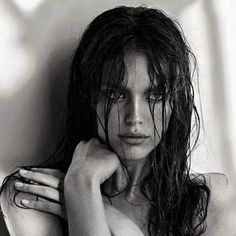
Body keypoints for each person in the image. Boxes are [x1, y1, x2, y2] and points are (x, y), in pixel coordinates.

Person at [0, 6, 235, 236]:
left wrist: (97, 205)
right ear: (90, 98)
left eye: (155, 96)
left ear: (175, 103)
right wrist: (82, 181)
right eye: (116, 95)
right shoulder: (31, 193)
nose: (134, 118)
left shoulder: (210, 202)